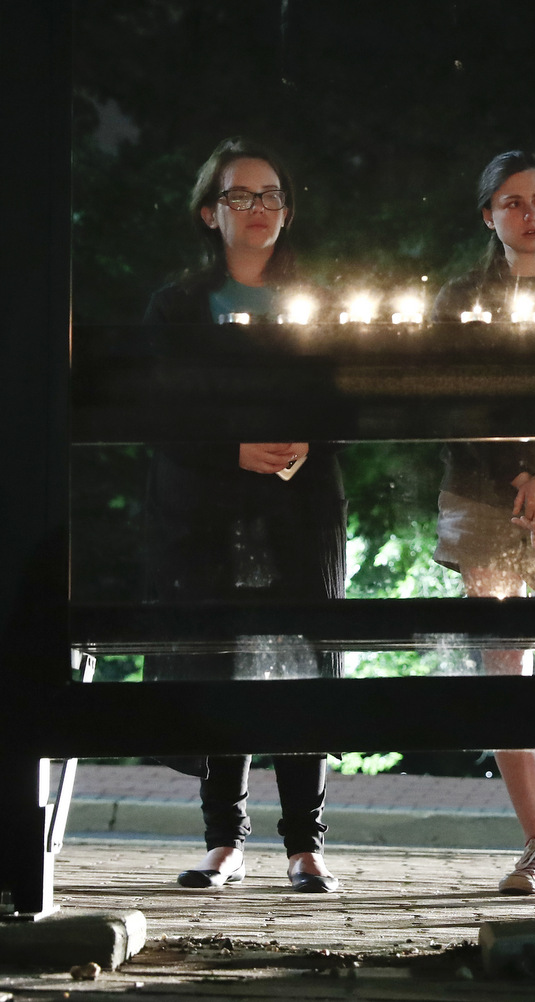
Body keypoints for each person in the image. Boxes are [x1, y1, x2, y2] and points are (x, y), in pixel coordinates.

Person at [142, 136, 343, 893]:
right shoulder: (178, 305)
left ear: (286, 213)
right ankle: (223, 841)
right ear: (208, 212)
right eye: (240, 196)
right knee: (217, 655)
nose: (258, 209)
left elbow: (338, 396)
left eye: (270, 196)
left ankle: (306, 846)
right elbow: (160, 404)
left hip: (300, 502)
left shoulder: (319, 297)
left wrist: (299, 442)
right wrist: (232, 449)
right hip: (207, 503)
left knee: (300, 662)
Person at [429, 150, 535, 895]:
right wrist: (522, 475)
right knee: (505, 655)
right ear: (487, 214)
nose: (529, 213)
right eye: (512, 202)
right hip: (487, 491)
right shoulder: (460, 296)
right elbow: (455, 400)